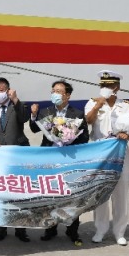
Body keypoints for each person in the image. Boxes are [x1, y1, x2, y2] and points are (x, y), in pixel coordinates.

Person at [29, 80, 89, 246]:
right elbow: (34, 129)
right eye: (53, 90)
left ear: (67, 95)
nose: (55, 94)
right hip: (49, 159)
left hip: (69, 160)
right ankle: (50, 228)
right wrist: (33, 115)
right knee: (50, 195)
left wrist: (70, 137)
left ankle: (72, 230)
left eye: (59, 91)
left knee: (72, 196)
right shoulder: (46, 111)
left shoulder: (77, 113)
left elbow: (85, 137)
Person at [84, 70, 129, 246]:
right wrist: (98, 105)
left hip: (120, 151)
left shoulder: (126, 106)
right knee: (100, 192)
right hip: (99, 153)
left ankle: (119, 231)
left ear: (117, 87)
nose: (105, 88)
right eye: (102, 85)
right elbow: (87, 122)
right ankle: (100, 229)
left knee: (121, 192)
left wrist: (127, 136)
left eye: (108, 86)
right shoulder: (92, 103)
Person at [0, 77, 30, 242]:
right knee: (0, 194)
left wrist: (15, 99)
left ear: (8, 90)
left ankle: (21, 229)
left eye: (0, 90)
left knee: (20, 194)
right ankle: (1, 228)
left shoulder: (19, 107)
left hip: (18, 155)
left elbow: (24, 118)